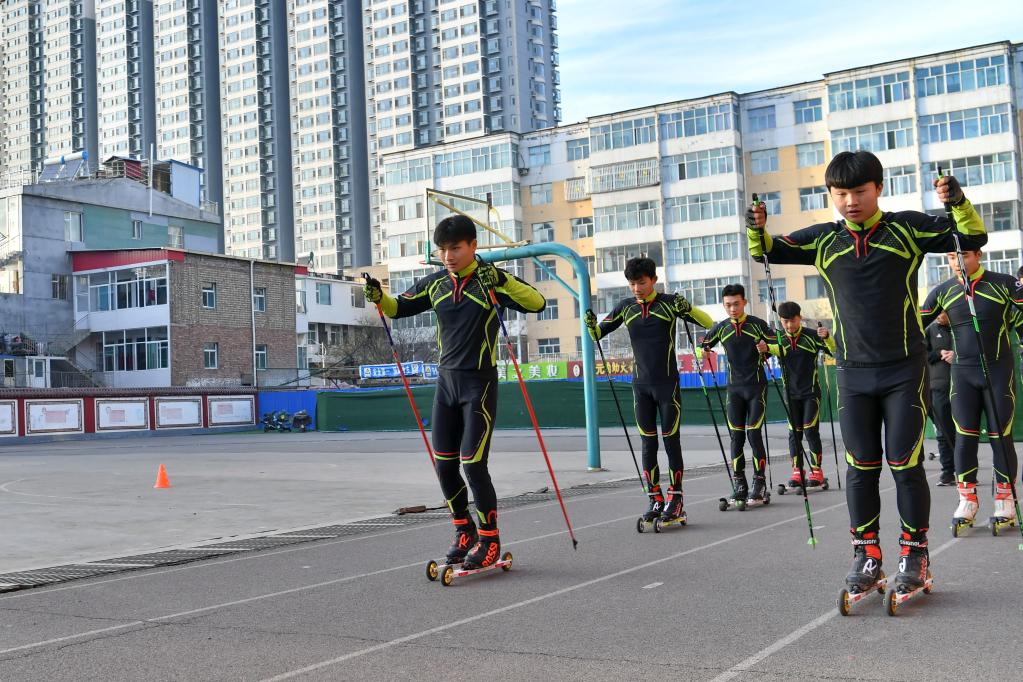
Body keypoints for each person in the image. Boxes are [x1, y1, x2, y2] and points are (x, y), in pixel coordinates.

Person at [747, 150, 987, 594]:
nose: (851, 201)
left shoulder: (907, 229)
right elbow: (769, 250)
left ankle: (915, 555)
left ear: (878, 188)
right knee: (861, 466)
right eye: (841, 193)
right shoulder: (825, 239)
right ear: (831, 195)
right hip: (852, 372)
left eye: (859, 191)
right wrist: (755, 226)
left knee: (904, 463)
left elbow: (973, 235)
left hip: (903, 369)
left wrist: (957, 201)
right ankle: (867, 554)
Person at [363, 215, 546, 569]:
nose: (448, 255)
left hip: (479, 383)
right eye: (443, 249)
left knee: (474, 464)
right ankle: (465, 531)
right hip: (446, 384)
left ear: (473, 246)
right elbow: (400, 308)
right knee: (444, 466)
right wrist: (378, 297)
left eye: (455, 248)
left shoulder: (491, 281)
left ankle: (490, 539)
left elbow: (536, 302)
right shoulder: (436, 284)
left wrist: (503, 278)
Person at [585, 257, 713, 523]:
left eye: (641, 282)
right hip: (640, 386)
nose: (636, 288)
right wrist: (590, 325)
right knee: (647, 443)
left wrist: (686, 307)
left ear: (653, 280)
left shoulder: (668, 304)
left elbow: (708, 321)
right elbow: (597, 334)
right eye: (632, 283)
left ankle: (675, 498)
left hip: (667, 384)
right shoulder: (626, 307)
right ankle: (655, 498)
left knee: (670, 441)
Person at [920, 249, 1023, 528]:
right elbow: (913, 326)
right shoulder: (942, 291)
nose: (957, 262)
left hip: (998, 371)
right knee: (964, 436)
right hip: (962, 374)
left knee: (1000, 436)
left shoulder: (1004, 283)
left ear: (978, 255)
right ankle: (967, 500)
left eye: (963, 255)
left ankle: (1005, 501)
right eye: (952, 257)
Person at [700, 284, 772, 503]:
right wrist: (703, 352)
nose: (733, 309)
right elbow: (703, 345)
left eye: (736, 304)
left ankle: (759, 482)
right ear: (724, 305)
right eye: (728, 305)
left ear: (744, 303)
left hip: (757, 386)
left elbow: (778, 343)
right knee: (736, 437)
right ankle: (739, 482)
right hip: (734, 389)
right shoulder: (721, 327)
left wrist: (767, 348)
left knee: (754, 434)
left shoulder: (758, 325)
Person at [766, 301, 835, 489]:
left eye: (793, 320)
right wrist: (763, 349)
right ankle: (797, 471)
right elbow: (765, 354)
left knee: (810, 430)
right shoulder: (777, 339)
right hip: (790, 395)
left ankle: (817, 471)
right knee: (793, 433)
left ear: (800, 318)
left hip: (811, 393)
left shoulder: (812, 336)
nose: (789, 325)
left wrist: (827, 336)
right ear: (780, 321)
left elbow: (834, 350)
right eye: (785, 322)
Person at [924, 311, 956, 486]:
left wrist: (955, 354)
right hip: (938, 387)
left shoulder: (961, 326)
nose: (938, 315)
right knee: (943, 431)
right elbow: (921, 354)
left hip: (962, 385)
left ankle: (967, 472)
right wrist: (938, 353)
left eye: (942, 312)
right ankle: (948, 472)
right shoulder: (929, 329)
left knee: (965, 431)